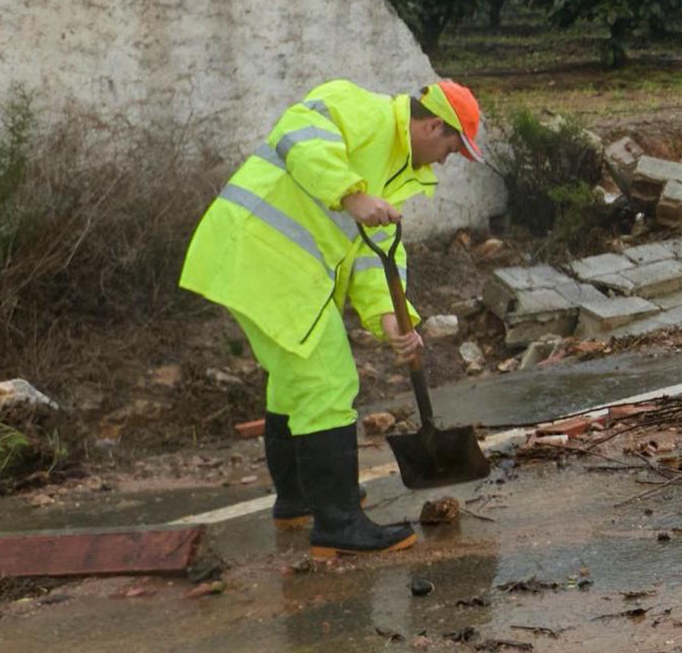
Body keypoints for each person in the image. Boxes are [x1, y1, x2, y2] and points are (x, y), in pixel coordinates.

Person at [180, 80, 486, 557]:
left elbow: (374, 251)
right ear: (431, 125)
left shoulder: (394, 167)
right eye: (451, 145)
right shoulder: (360, 109)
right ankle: (339, 524)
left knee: (292, 383)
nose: (449, 159)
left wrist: (391, 316)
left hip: (271, 265)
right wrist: (350, 194)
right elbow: (296, 135)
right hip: (261, 257)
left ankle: (300, 500)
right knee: (327, 381)